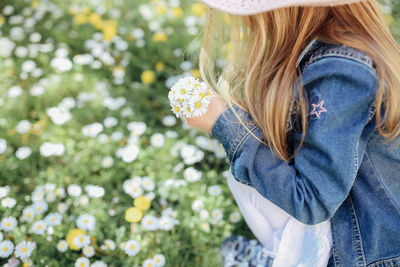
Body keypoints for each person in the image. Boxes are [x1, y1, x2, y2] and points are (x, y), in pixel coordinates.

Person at [184, 0, 400, 266]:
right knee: (251, 167)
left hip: (369, 258)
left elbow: (311, 202)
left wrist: (224, 122)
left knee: (249, 163)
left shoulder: (344, 73)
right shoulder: (327, 51)